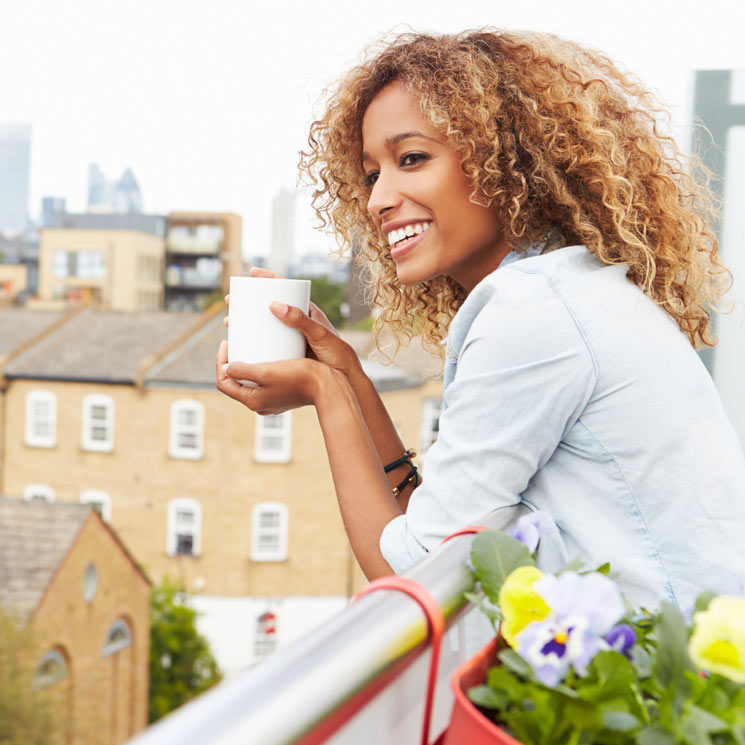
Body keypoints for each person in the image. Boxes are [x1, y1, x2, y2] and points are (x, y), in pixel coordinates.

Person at [217, 29, 745, 610]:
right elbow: (443, 527)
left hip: (664, 688)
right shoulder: (567, 288)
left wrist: (325, 393)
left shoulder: (532, 312)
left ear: (505, 161)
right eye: (371, 174)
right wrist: (348, 376)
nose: (378, 199)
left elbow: (418, 579)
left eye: (411, 159)